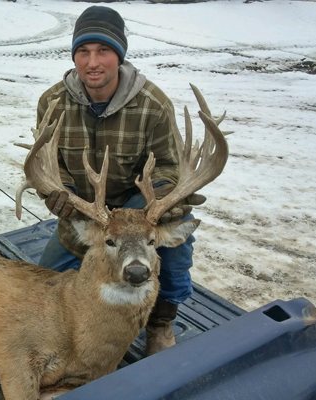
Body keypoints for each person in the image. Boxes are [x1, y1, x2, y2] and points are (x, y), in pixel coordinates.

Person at [35, 5, 205, 356]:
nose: (92, 62)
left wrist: (162, 196)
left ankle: (160, 322)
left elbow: (170, 167)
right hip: (85, 217)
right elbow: (47, 162)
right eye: (83, 51)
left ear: (120, 55)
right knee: (42, 285)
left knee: (175, 235)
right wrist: (57, 192)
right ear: (74, 56)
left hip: (137, 210)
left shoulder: (153, 105)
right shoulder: (52, 102)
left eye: (103, 51)